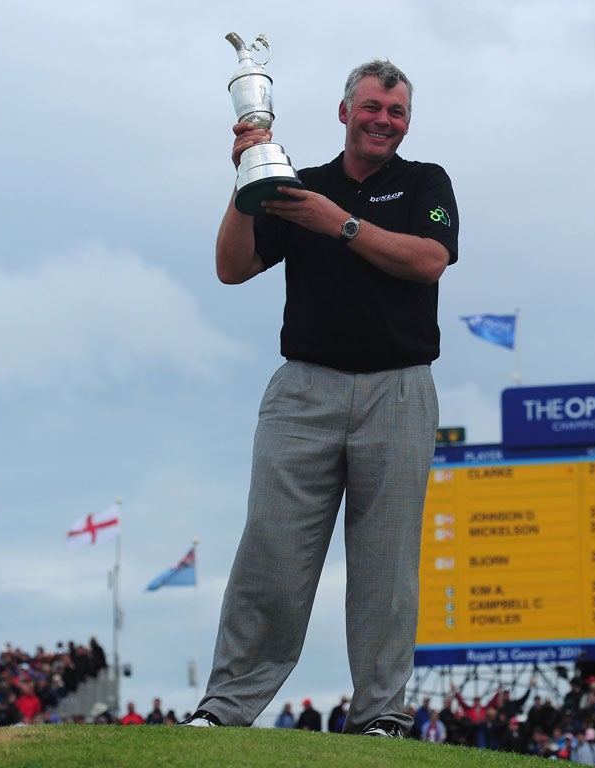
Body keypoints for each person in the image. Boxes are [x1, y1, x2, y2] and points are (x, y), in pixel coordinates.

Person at [182, 57, 459, 738]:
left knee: (386, 564)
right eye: (371, 108)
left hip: (399, 387)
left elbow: (428, 259)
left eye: (395, 112)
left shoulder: (426, 183)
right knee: (271, 552)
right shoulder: (299, 186)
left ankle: (380, 717)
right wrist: (249, 176)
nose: (383, 122)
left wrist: (338, 223)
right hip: (304, 387)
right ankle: (225, 709)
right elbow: (231, 266)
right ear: (344, 113)